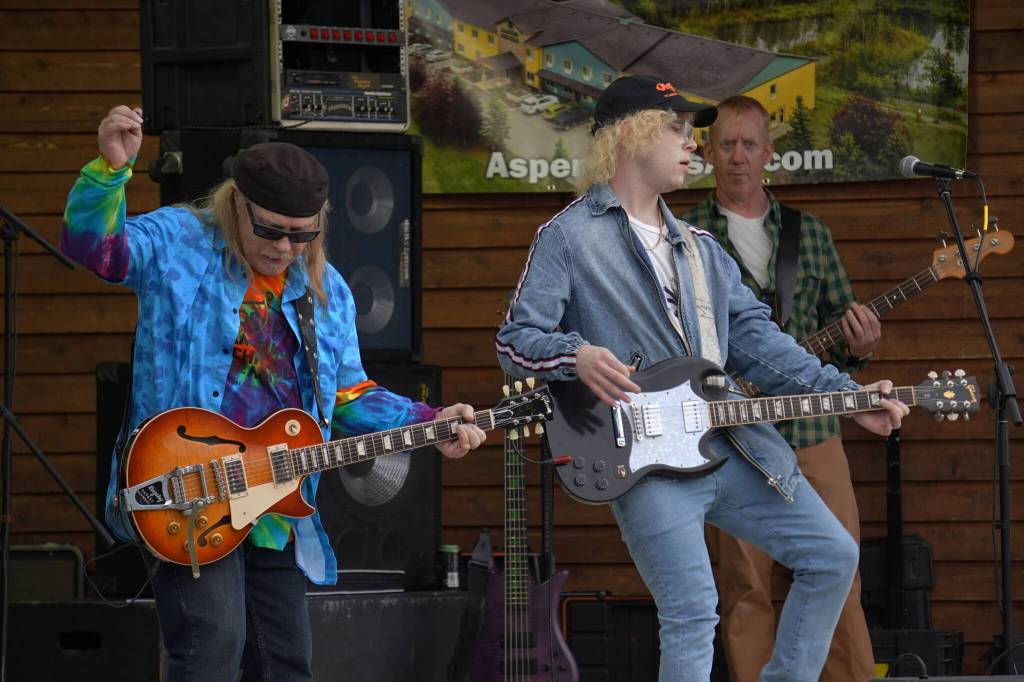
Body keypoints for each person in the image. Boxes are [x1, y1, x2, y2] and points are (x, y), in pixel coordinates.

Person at [494, 75, 907, 682]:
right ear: (632, 135)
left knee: (832, 554)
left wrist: (846, 396)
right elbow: (514, 342)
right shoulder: (569, 237)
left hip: (728, 446)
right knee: (692, 613)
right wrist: (575, 355)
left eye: (693, 130)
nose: (694, 142)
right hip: (644, 462)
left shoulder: (702, 248)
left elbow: (764, 347)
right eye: (678, 127)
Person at [61, 105, 487, 682]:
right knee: (214, 644)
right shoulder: (181, 239)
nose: (285, 248)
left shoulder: (325, 288)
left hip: (271, 499)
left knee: (286, 662)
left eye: (302, 234)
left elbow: (347, 394)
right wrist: (110, 172)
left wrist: (431, 420)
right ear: (236, 202)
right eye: (269, 229)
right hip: (185, 486)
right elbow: (97, 252)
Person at [682, 95, 880, 682]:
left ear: (769, 153)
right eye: (727, 145)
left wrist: (862, 348)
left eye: (749, 144)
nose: (739, 157)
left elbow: (840, 334)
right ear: (708, 154)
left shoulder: (809, 234)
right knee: (747, 584)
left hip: (814, 428)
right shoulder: (687, 236)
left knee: (838, 570)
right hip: (735, 434)